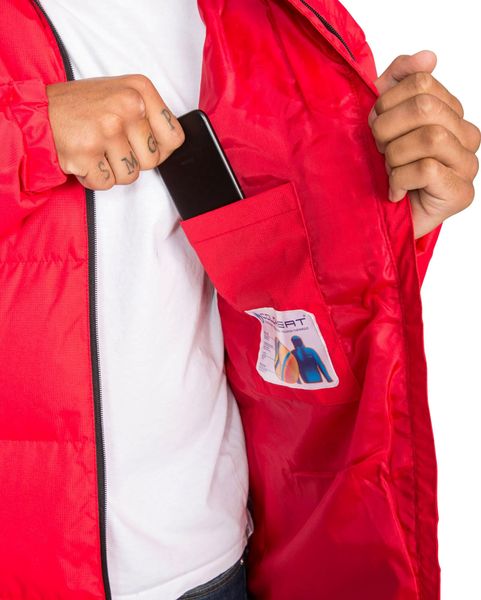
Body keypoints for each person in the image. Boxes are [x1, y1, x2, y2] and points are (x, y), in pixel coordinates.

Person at [0, 1, 479, 599]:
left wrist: (382, 216)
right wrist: (28, 131)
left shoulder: (254, 15)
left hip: (215, 564)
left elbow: (275, 295)